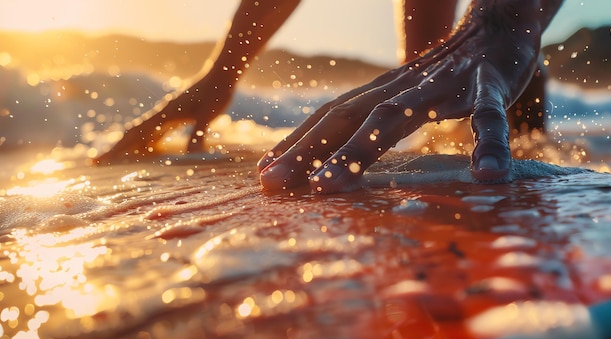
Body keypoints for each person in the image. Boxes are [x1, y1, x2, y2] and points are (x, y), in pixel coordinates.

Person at [96, 0, 563, 194]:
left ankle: (511, 120)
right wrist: (222, 74)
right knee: (428, 73)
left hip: (507, 44)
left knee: (493, 104)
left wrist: (502, 23)